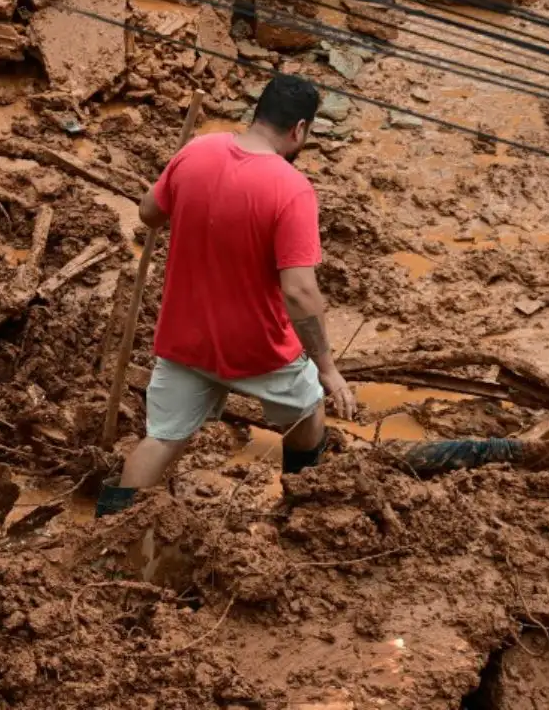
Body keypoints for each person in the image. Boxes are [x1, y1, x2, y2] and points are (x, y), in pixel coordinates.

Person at [97, 75, 356, 516]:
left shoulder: (197, 150)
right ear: (300, 130)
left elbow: (148, 212)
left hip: (185, 339)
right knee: (307, 413)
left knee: (161, 438)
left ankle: (104, 533)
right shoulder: (291, 189)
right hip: (260, 349)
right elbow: (299, 291)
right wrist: (327, 369)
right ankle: (303, 507)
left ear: (257, 114)